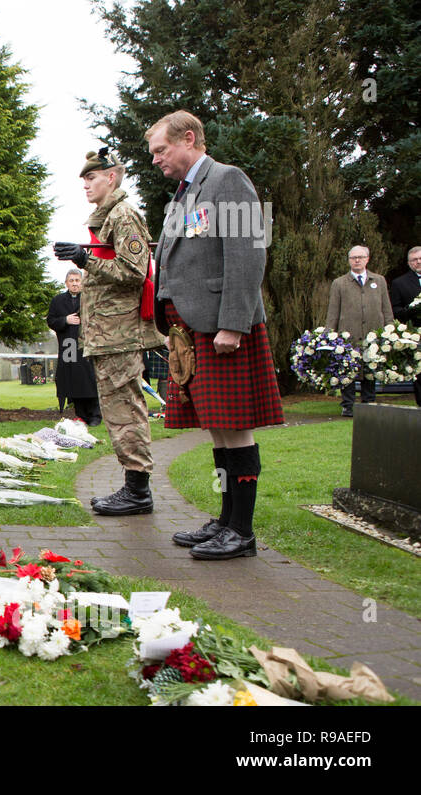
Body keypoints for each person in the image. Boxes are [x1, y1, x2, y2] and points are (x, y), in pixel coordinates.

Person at [147, 110, 284, 561]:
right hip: (191, 330)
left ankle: (241, 533)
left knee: (235, 427)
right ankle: (226, 521)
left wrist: (233, 323)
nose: (156, 160)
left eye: (161, 150)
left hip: (223, 326)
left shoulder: (228, 180)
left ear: (189, 139)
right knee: (218, 430)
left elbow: (248, 256)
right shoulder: (183, 195)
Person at [53, 148, 159, 516]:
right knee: (118, 410)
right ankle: (134, 487)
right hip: (108, 334)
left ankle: (138, 491)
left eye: (92, 178)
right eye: (84, 179)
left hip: (120, 333)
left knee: (125, 409)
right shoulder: (109, 216)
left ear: (111, 177)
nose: (85, 184)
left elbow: (135, 272)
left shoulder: (124, 214)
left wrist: (85, 260)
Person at [326, 246, 393, 417]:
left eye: (360, 257)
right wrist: (329, 335)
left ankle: (368, 402)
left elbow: (386, 309)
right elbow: (333, 312)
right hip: (348, 335)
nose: (357, 260)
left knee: (371, 369)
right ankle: (348, 405)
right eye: (353, 257)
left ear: (367, 259)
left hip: (373, 333)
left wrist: (390, 330)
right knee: (347, 370)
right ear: (349, 260)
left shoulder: (379, 281)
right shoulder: (339, 283)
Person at [46, 269, 101, 426]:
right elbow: (51, 320)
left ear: (82, 282)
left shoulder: (90, 299)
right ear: (66, 283)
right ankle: (81, 415)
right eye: (72, 280)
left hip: (87, 345)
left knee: (90, 379)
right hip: (68, 346)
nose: (75, 283)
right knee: (73, 381)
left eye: (77, 280)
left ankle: (95, 415)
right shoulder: (58, 301)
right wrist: (65, 320)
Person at [389, 246, 421, 406]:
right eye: (414, 260)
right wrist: (413, 310)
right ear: (409, 263)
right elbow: (395, 310)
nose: (418, 262)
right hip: (415, 334)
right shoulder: (399, 283)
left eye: (420, 258)